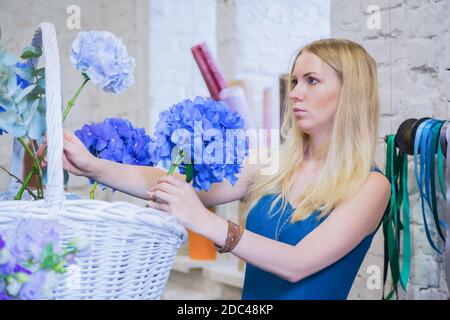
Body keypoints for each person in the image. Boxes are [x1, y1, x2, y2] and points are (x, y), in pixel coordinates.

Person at [39, 38, 391, 300]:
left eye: (311, 81)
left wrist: (207, 222)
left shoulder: (371, 186)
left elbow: (296, 264)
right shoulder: (275, 164)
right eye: (295, 81)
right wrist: (93, 166)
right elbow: (175, 185)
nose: (296, 93)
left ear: (351, 93)